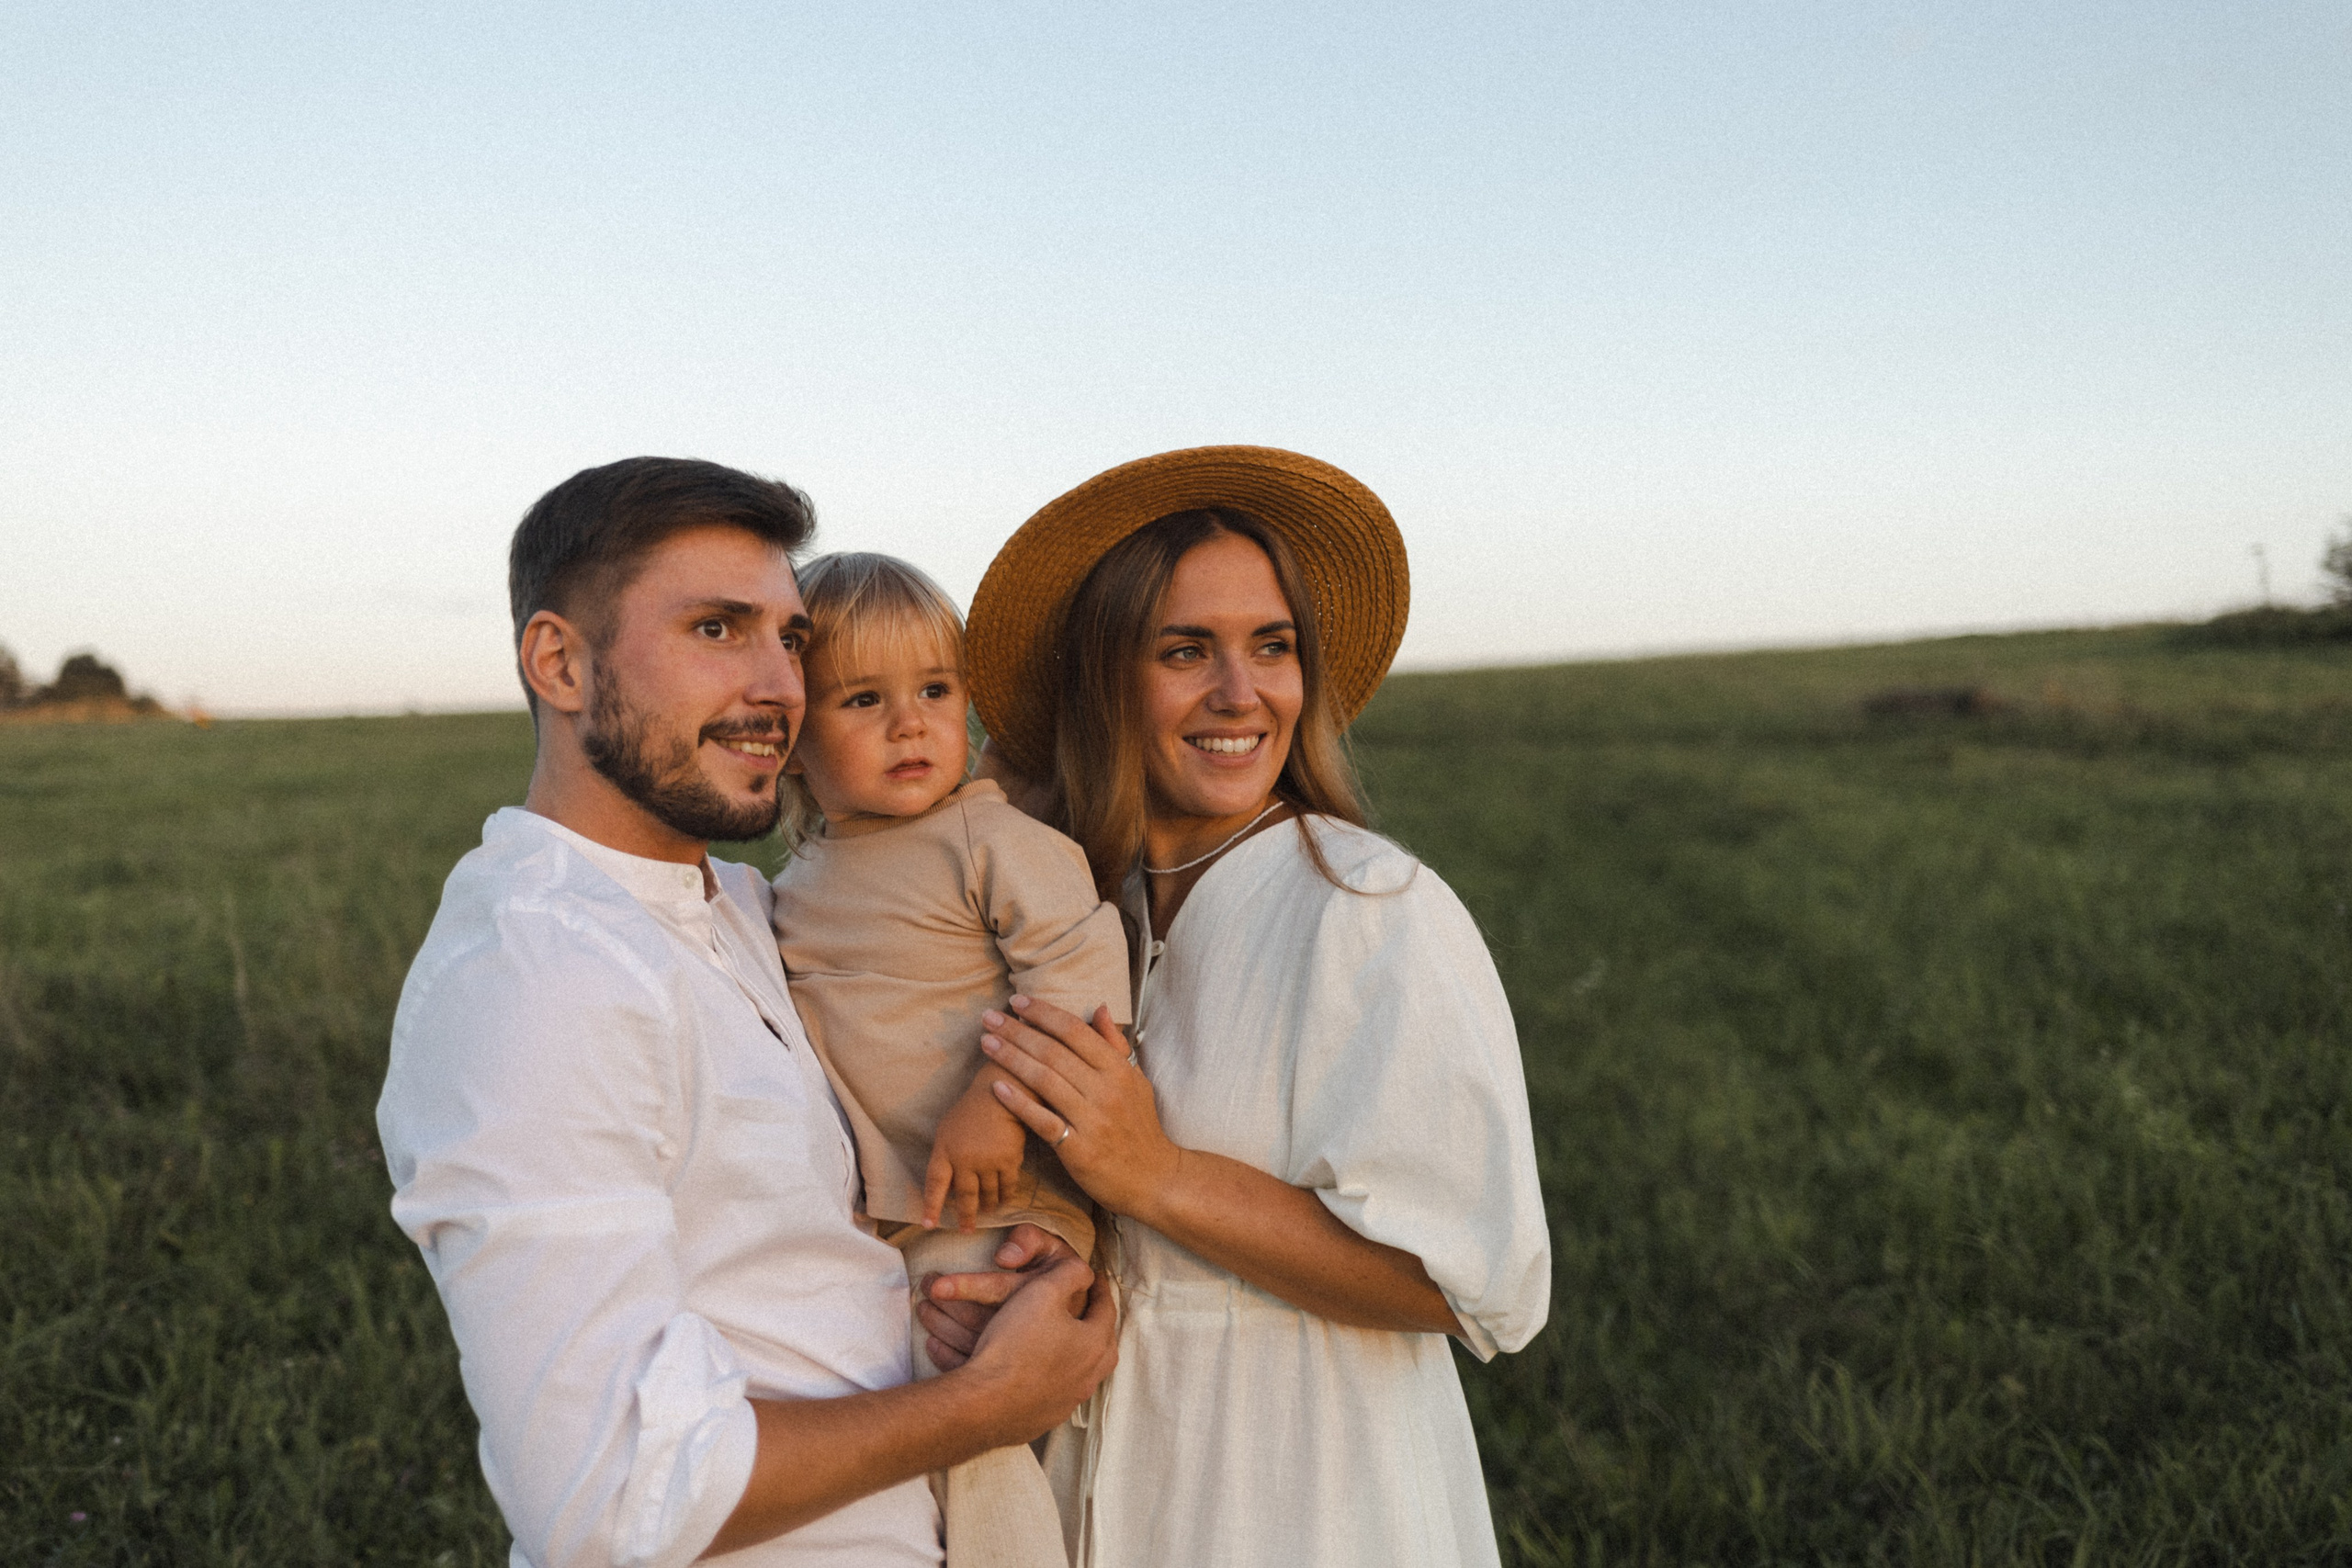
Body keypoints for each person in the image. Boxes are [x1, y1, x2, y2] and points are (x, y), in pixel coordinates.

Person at [376, 457, 1116, 1568]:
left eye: (790, 640)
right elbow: (612, 1499)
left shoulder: (742, 906)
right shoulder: (539, 979)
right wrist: (988, 1403)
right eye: (718, 631)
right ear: (559, 662)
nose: (778, 685)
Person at [943, 446, 1552, 1568]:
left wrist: (1159, 1175)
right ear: (1102, 680)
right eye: (1184, 651)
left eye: (1272, 647)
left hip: (1301, 1491)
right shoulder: (1085, 916)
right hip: (1101, 1473)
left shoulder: (1367, 908)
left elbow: (1472, 1286)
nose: (1241, 693)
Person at [769, 551, 1131, 1568]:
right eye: (862, 699)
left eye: (935, 690)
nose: (911, 722)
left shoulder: (985, 838)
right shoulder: (797, 881)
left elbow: (1086, 977)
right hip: (892, 1217)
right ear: (791, 736)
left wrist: (997, 1092)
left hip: (1003, 1202)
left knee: (963, 1405)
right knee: (879, 1417)